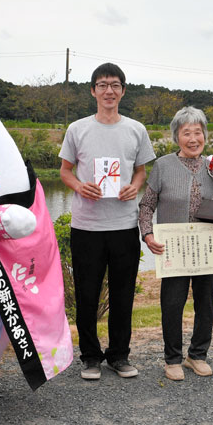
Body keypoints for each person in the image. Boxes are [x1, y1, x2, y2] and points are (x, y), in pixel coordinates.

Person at [59, 63, 156, 380]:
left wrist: (135, 185)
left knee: (122, 294)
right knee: (87, 295)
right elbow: (65, 171)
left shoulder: (135, 129)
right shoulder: (78, 129)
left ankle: (119, 355)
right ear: (92, 90)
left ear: (123, 90)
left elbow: (141, 170)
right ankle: (89, 357)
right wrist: (79, 186)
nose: (109, 91)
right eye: (102, 85)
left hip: (124, 226)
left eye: (115, 85)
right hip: (86, 227)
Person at [139, 107, 213, 381]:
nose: (193, 138)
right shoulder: (163, 166)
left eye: (198, 132)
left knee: (206, 303)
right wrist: (147, 234)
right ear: (177, 136)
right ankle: (172, 358)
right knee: (172, 303)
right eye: (187, 133)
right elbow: (147, 205)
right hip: (174, 249)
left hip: (208, 248)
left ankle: (197, 355)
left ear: (205, 135)